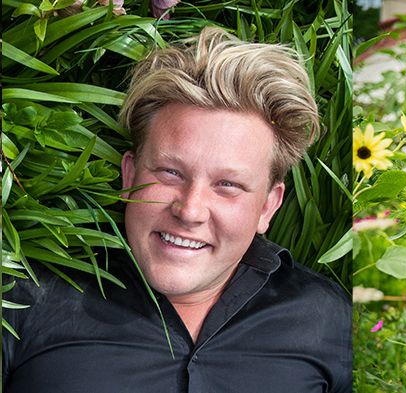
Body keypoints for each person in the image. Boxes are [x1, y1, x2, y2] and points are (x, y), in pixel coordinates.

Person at [2, 27, 351, 392]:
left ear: (268, 206)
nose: (190, 210)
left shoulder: (329, 320)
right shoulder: (24, 298)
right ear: (129, 175)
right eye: (170, 173)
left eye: (227, 185)